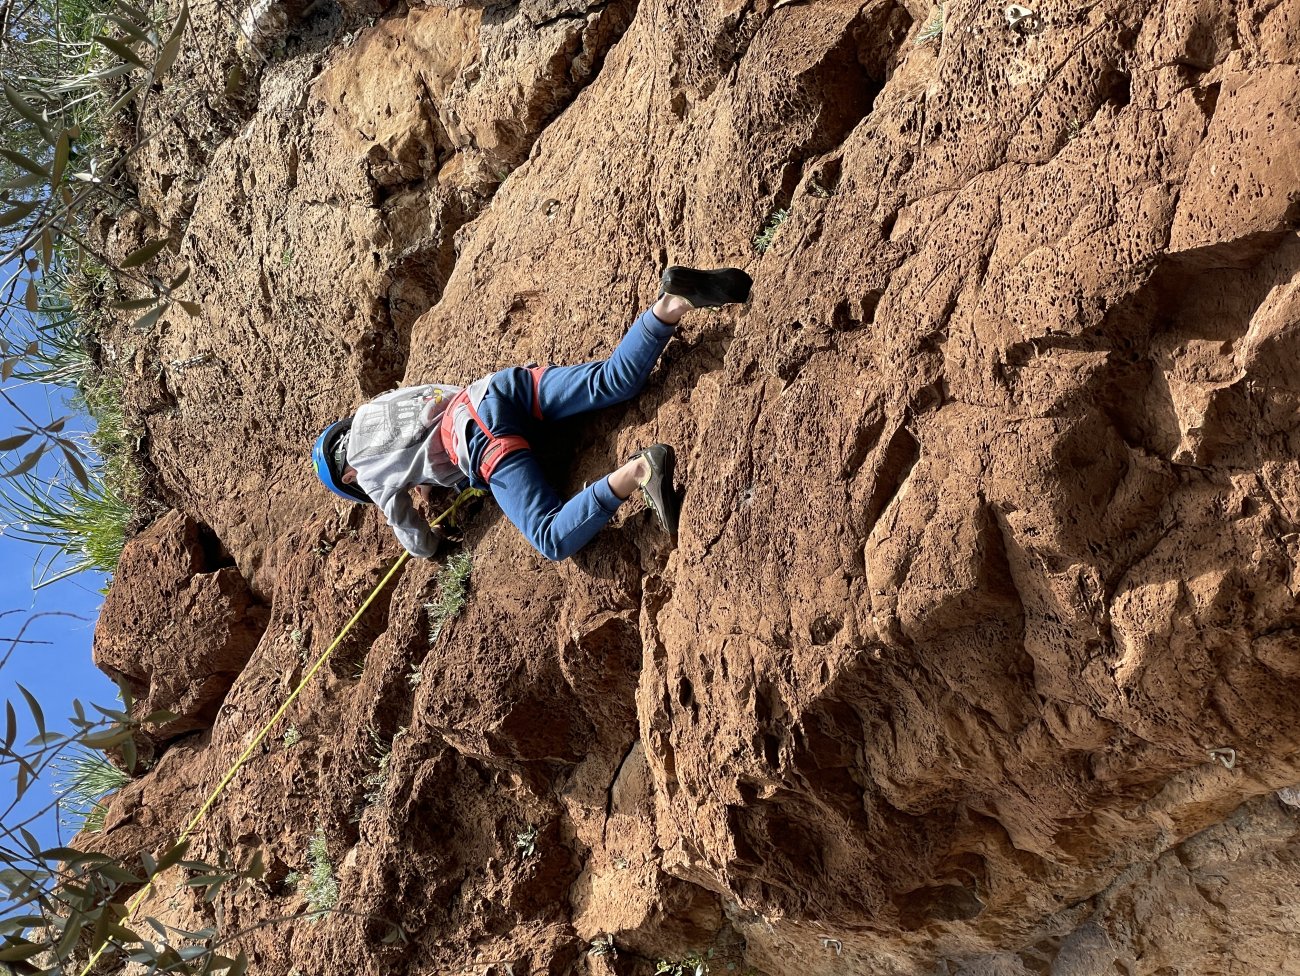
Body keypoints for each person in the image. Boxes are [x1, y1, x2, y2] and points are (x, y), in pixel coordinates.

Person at [312, 266, 753, 561]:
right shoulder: (374, 407)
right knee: (613, 380)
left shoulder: (365, 472)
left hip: (482, 439)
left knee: (550, 538)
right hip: (495, 390)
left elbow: (409, 530)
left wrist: (435, 550)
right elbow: (435, 405)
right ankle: (672, 304)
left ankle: (641, 471)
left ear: (347, 476)